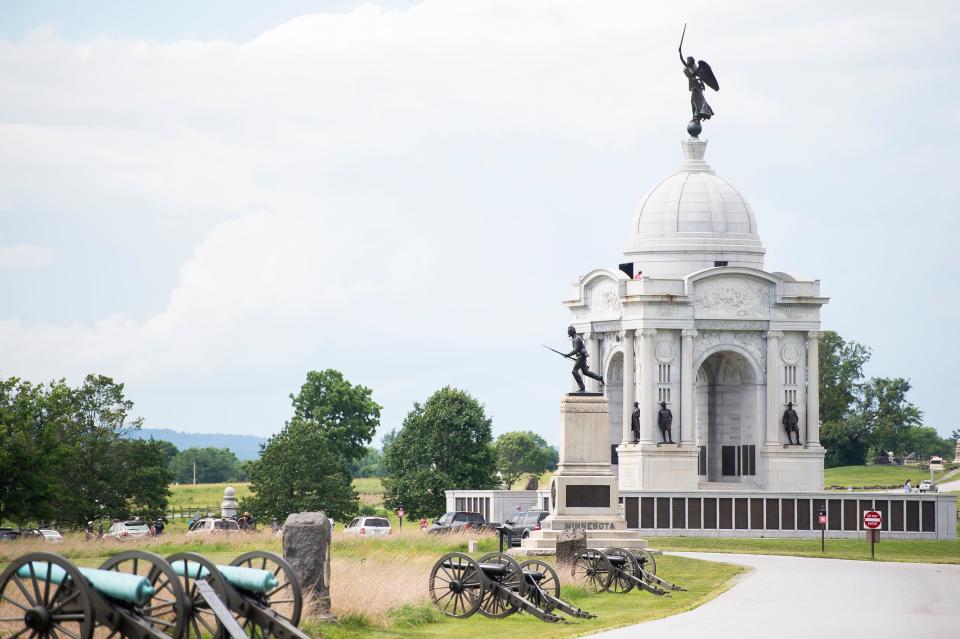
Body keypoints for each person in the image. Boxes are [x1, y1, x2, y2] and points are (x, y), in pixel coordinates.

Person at [564, 326, 604, 392]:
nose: (568, 332)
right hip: (580, 357)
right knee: (585, 372)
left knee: (574, 371)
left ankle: (582, 387)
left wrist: (568, 354)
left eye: (568, 331)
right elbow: (576, 351)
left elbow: (575, 350)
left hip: (581, 357)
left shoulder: (577, 339)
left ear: (571, 331)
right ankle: (599, 378)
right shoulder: (574, 339)